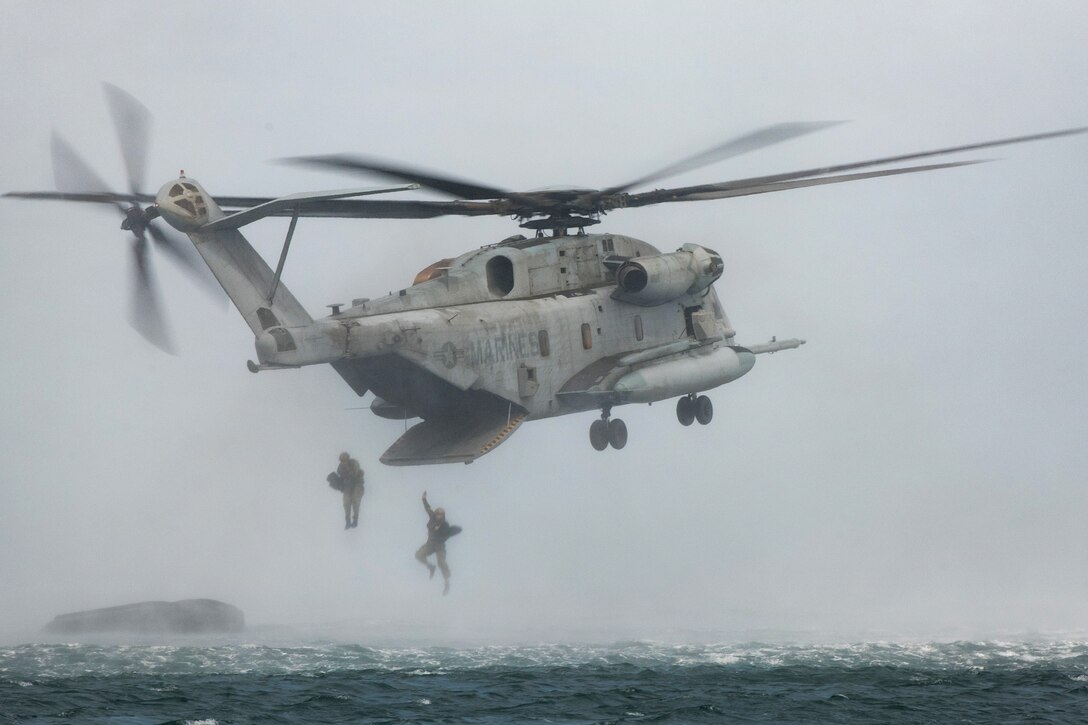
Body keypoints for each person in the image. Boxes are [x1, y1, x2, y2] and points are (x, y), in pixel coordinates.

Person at [415, 491, 461, 595]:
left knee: (441, 562)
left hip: (439, 547)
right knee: (418, 555)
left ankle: (446, 582)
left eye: (441, 515)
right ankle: (430, 567)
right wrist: (424, 499)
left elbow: (450, 532)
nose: (439, 516)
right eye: (438, 514)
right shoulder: (432, 518)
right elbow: (427, 509)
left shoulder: (444, 525)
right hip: (430, 544)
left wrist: (444, 531)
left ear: (443, 516)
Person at [335, 452, 365, 530]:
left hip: (357, 484)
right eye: (341, 460)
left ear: (347, 459)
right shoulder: (340, 467)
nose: (343, 462)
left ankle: (355, 520)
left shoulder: (354, 463)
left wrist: (348, 469)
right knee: (346, 502)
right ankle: (347, 521)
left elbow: (355, 475)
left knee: (355, 500)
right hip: (348, 486)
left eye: (344, 460)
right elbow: (341, 478)